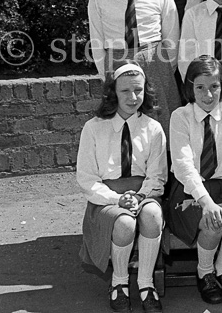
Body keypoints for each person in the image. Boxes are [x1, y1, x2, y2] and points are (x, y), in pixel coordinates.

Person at [76, 62, 167, 313]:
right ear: (112, 92)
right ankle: (119, 283)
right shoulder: (94, 128)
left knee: (153, 215)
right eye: (125, 91)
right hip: (106, 199)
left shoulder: (153, 128)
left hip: (143, 194)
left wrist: (139, 196)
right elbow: (86, 178)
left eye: (138, 90)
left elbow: (157, 175)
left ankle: (146, 283)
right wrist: (117, 199)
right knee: (124, 223)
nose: (133, 97)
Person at [167, 56, 222, 304]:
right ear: (190, 88)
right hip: (190, 190)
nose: (208, 95)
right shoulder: (180, 116)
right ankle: (204, 273)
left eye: (214, 87)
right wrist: (205, 201)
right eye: (200, 88)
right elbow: (183, 166)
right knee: (213, 220)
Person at [87, 0, 181, 135]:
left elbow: (171, 37)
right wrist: (108, 76)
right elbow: (96, 40)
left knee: (160, 126)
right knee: (123, 129)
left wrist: (163, 68)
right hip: (117, 63)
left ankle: (164, 165)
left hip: (155, 63)